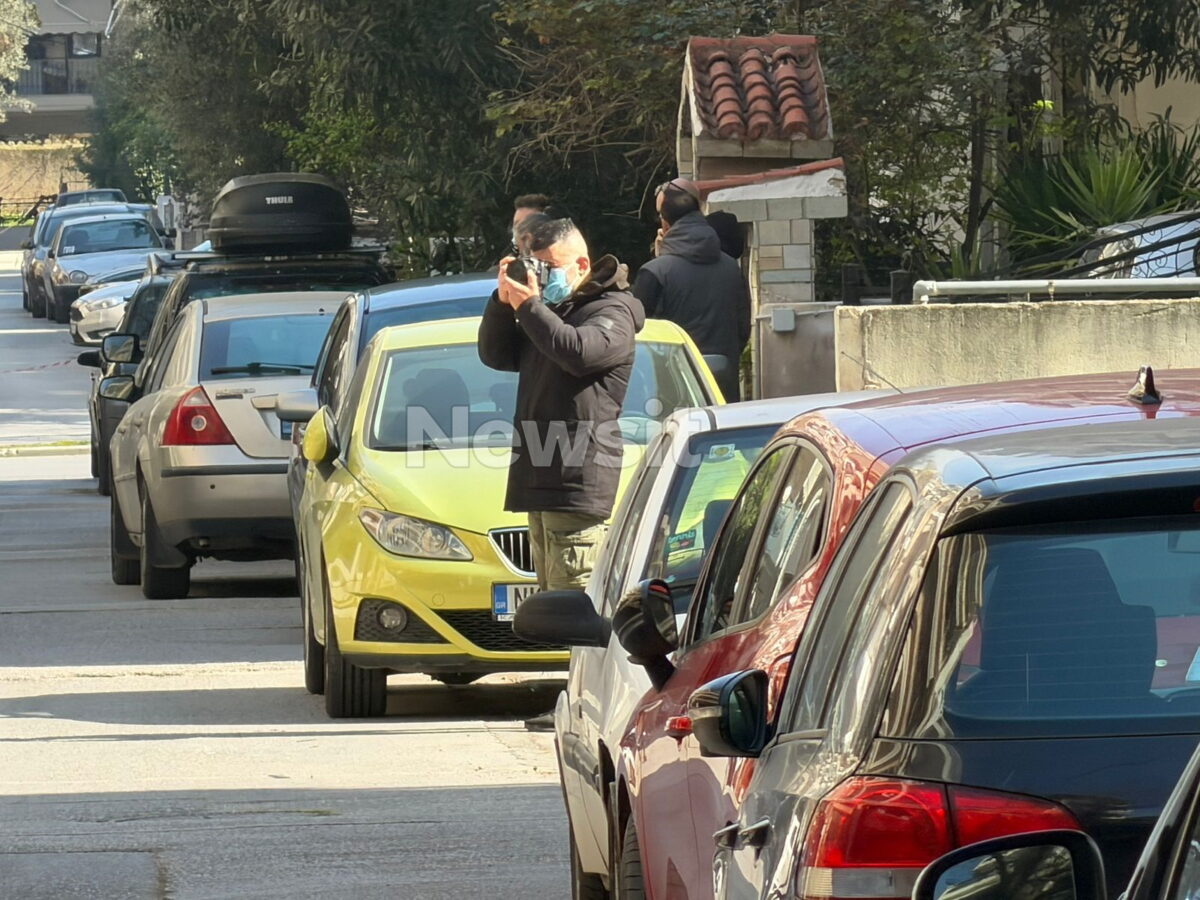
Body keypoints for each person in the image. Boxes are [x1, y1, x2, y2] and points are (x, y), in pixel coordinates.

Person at [480, 217, 644, 731]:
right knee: (559, 605)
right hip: (542, 476)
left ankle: (593, 713)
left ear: (581, 264)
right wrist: (503, 299)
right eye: (536, 266)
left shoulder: (611, 311)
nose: (543, 277)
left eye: (550, 267)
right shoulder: (554, 311)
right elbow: (496, 354)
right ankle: (574, 705)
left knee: (582, 607)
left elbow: (578, 353)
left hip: (579, 479)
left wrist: (531, 306)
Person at [632, 179, 751, 401]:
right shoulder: (731, 268)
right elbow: (742, 329)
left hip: (668, 395)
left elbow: (637, 336)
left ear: (665, 222)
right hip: (722, 391)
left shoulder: (655, 272)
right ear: (698, 211)